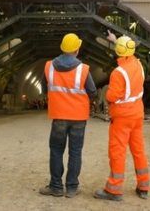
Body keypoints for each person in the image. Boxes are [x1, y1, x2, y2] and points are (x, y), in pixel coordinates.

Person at [94, 31, 150, 201]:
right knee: (138, 151)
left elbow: (111, 96)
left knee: (117, 152)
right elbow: (127, 52)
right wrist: (116, 40)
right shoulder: (139, 65)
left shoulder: (118, 73)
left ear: (118, 52)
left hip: (122, 117)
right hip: (137, 115)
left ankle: (114, 190)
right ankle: (143, 187)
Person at [39, 33, 97, 198]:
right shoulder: (83, 69)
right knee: (75, 152)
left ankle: (56, 187)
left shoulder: (49, 66)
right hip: (78, 117)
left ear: (62, 48)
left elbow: (44, 88)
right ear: (77, 50)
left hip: (59, 116)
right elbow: (92, 92)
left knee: (56, 151)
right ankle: (72, 187)